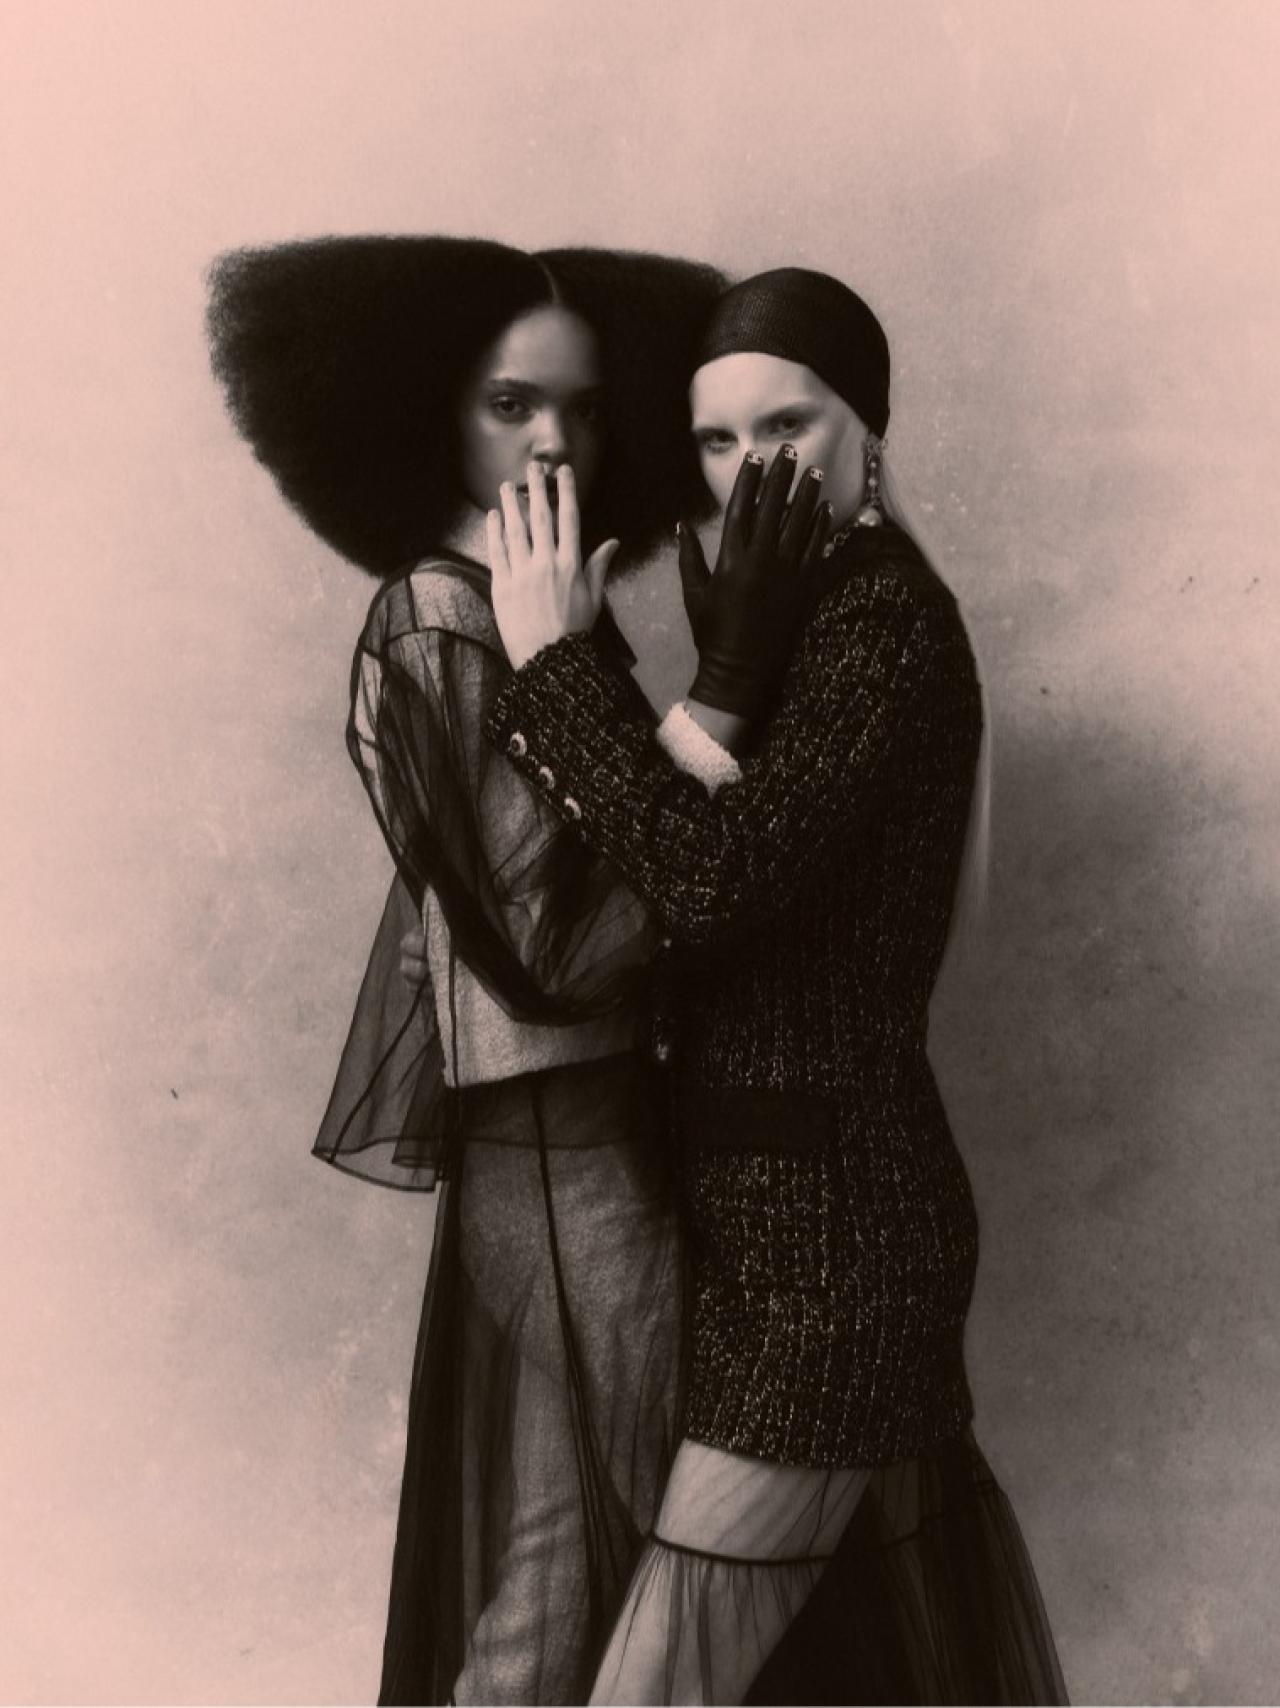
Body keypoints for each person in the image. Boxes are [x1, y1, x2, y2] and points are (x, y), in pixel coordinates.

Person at [484, 267, 1068, 1704]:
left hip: (834, 1258)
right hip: (780, 1239)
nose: (753, 473)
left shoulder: (881, 625)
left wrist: (555, 666)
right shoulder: (815, 620)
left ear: (870, 430)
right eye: (717, 441)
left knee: (655, 1688)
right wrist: (712, 668)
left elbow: (707, 885)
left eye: (787, 427)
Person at [205, 235, 726, 1705]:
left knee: (558, 1576)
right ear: (433, 410)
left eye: (585, 409)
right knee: (697, 1552)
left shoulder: (524, 603)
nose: (555, 441)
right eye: (512, 404)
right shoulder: (443, 616)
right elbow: (555, 944)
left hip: (576, 1147)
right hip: (566, 1160)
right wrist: (716, 730)